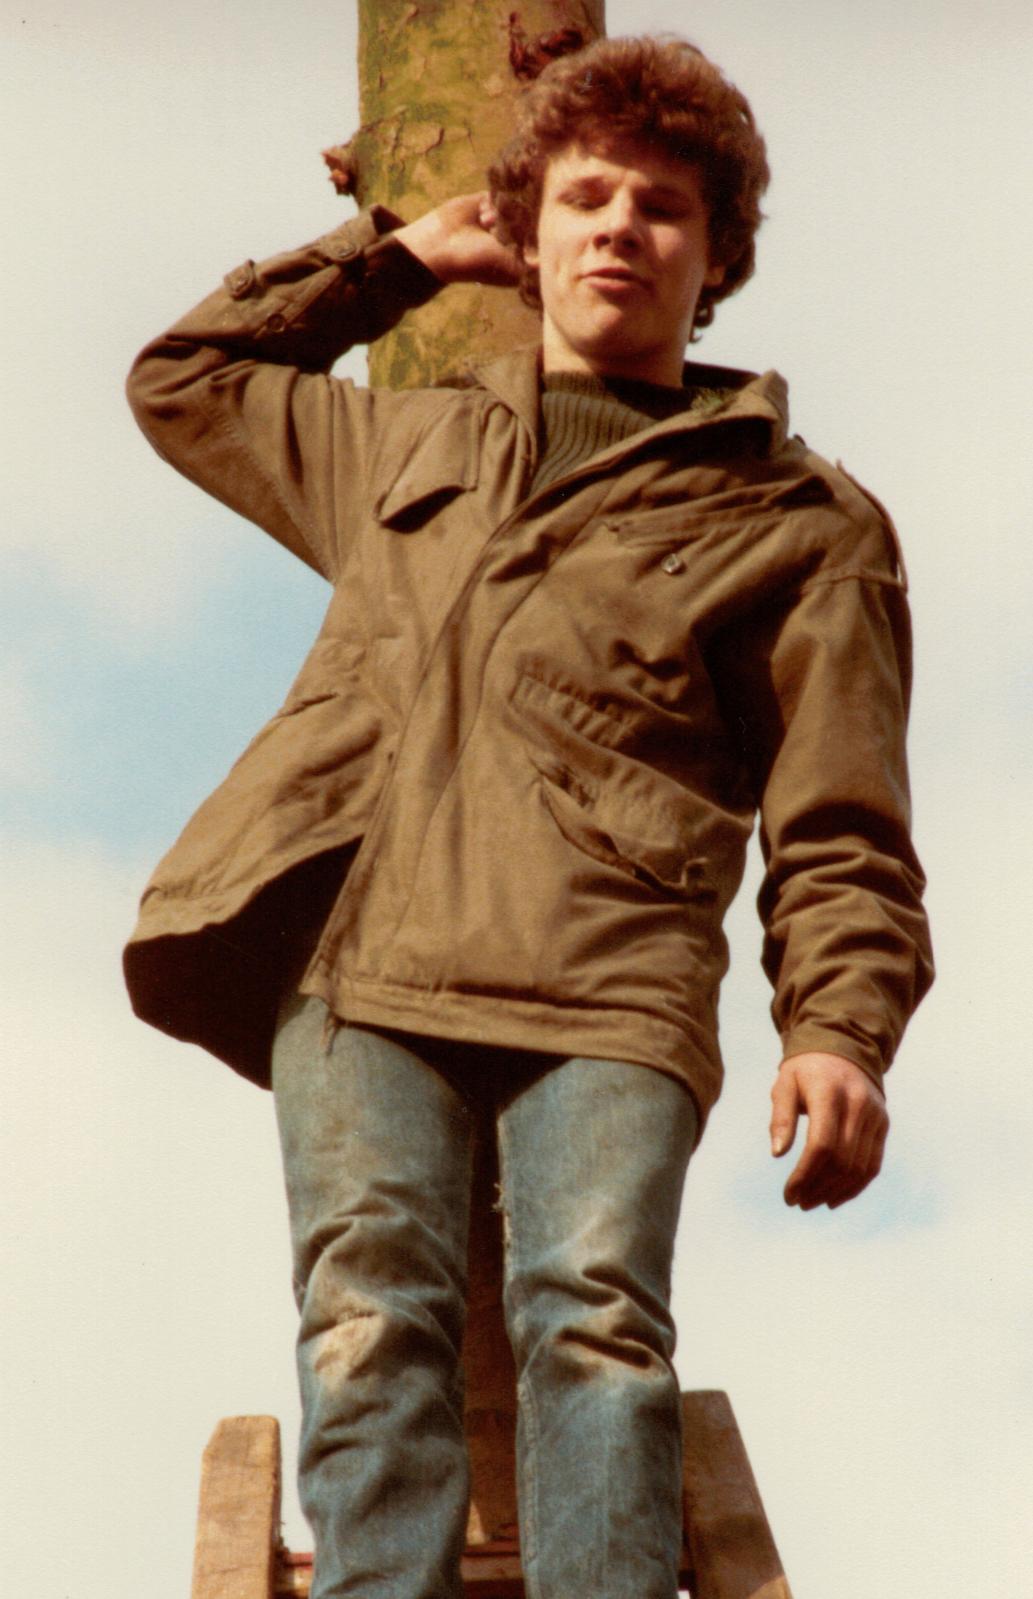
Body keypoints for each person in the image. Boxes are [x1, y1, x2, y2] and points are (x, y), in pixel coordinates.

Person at [124, 34, 932, 1599]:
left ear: (715, 258)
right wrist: (395, 258)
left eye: (662, 207)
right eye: (584, 198)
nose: (620, 227)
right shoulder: (406, 443)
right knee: (366, 1322)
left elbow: (840, 821)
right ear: (531, 233)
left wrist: (838, 1032)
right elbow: (184, 382)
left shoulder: (798, 519)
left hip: (611, 978)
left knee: (594, 1322)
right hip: (365, 956)